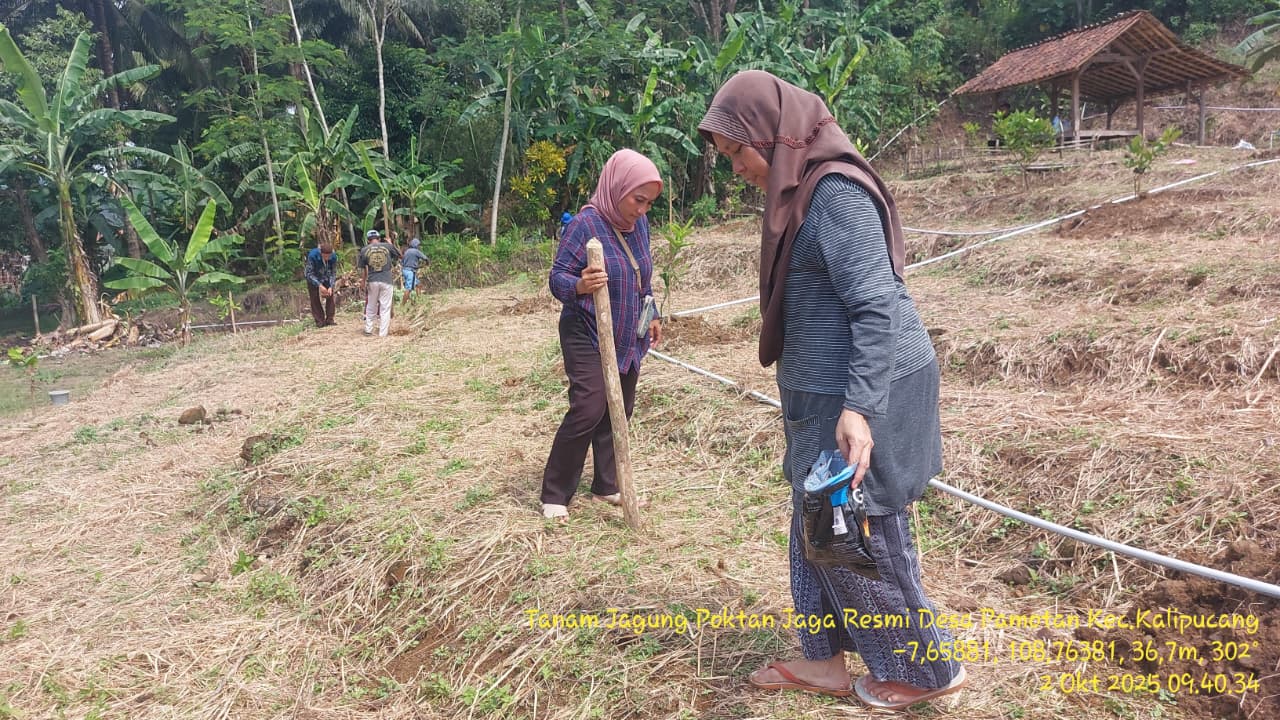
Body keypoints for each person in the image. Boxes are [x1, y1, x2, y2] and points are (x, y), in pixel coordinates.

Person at [698, 70, 966, 711]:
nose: (735, 167)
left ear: (774, 134)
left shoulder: (834, 194)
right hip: (829, 395)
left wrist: (859, 410)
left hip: (868, 393)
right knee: (817, 520)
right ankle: (823, 662)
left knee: (861, 529)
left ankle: (925, 671)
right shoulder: (797, 196)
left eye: (739, 151)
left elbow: (875, 305)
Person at [541, 149, 664, 521]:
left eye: (649, 203)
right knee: (590, 407)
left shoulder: (638, 224)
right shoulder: (585, 225)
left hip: (627, 329)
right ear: (617, 187)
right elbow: (557, 278)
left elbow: (641, 272)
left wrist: (652, 311)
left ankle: (606, 485)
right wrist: (580, 284)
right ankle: (555, 492)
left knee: (620, 409)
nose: (642, 210)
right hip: (587, 329)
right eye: (637, 200)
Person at [357, 228, 400, 336]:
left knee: (371, 305)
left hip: (372, 280)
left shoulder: (364, 250)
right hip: (386, 280)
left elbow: (363, 269)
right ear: (379, 239)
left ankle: (368, 330)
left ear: (368, 240)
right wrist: (391, 243)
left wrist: (363, 282)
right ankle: (383, 333)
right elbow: (400, 255)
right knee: (385, 307)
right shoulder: (387, 246)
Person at [304, 241, 338, 328]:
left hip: (326, 276)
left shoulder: (333, 257)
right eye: (325, 256)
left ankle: (330, 319)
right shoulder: (313, 256)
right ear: (321, 253)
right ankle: (320, 321)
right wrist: (319, 285)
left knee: (330, 295)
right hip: (313, 277)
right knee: (314, 298)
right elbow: (308, 273)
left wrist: (330, 286)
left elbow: (333, 272)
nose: (327, 258)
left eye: (329, 256)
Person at [401, 237, 428, 303]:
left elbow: (403, 262)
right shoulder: (416, 251)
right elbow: (425, 258)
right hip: (410, 271)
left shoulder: (407, 251)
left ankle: (419, 300)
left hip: (405, 270)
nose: (419, 247)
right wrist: (427, 264)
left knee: (418, 285)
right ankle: (402, 305)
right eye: (418, 245)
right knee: (409, 289)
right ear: (416, 245)